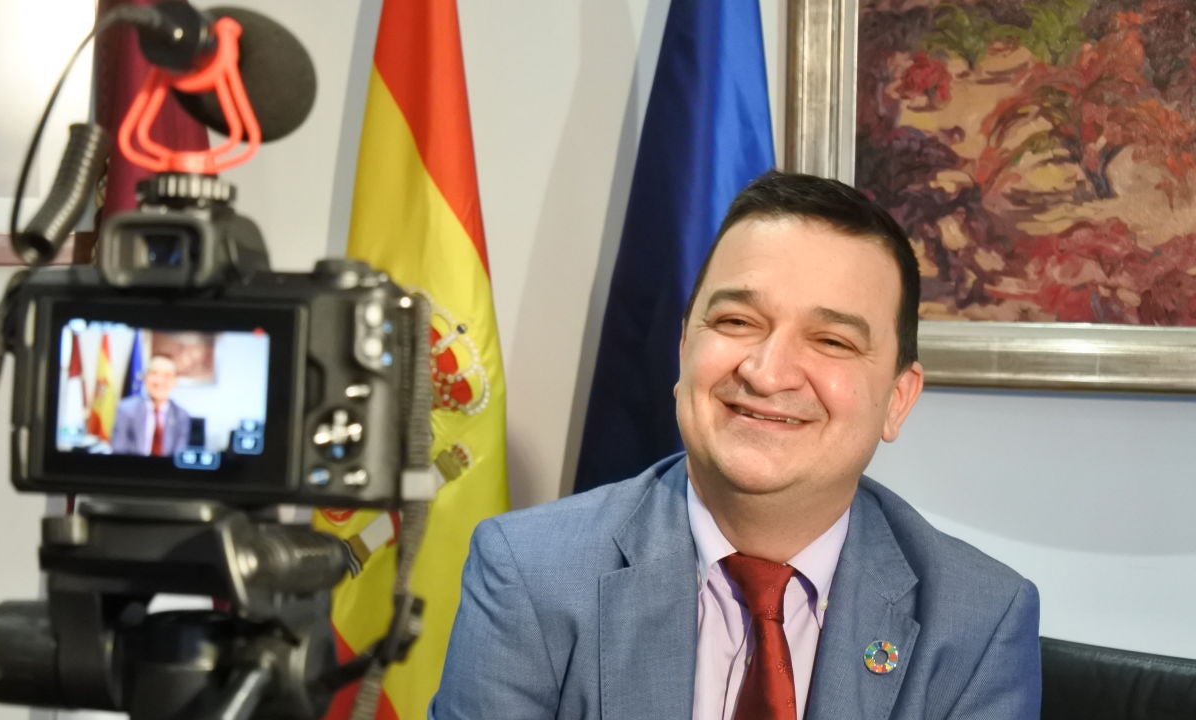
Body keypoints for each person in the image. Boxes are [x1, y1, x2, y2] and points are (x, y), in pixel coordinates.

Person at [430, 171, 1040, 719]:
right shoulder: (531, 572)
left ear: (898, 399)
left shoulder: (977, 620)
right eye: (736, 323)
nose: (767, 373)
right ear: (685, 348)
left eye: (832, 341)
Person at [110, 354, 192, 457]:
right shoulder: (125, 410)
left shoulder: (181, 415)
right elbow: (118, 452)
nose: (159, 381)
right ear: (145, 377)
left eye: (167, 375)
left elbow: (179, 457)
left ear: (175, 381)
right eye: (154, 373)